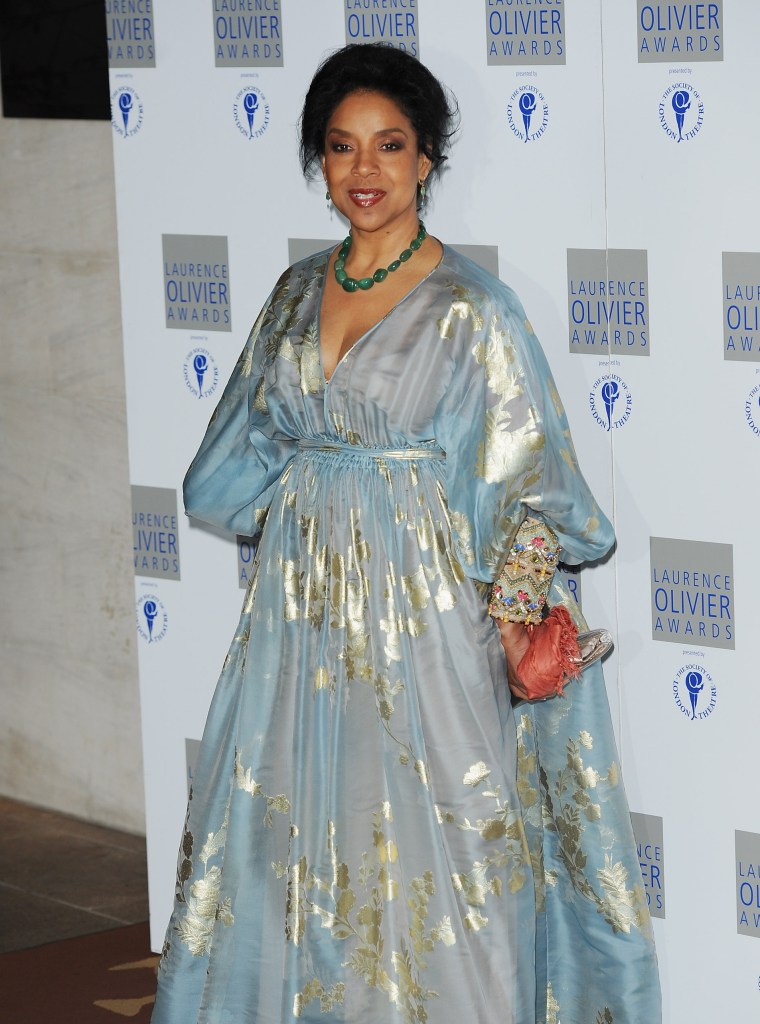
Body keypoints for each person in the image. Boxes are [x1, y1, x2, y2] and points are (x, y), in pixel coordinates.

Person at [151, 43, 660, 1024]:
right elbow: (226, 472)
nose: (365, 171)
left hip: (428, 627)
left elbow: (536, 500)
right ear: (319, 161)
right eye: (341, 149)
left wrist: (512, 625)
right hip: (300, 623)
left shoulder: (475, 310)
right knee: (293, 839)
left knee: (446, 853)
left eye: (389, 146)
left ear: (428, 158)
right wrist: (310, 502)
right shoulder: (295, 294)